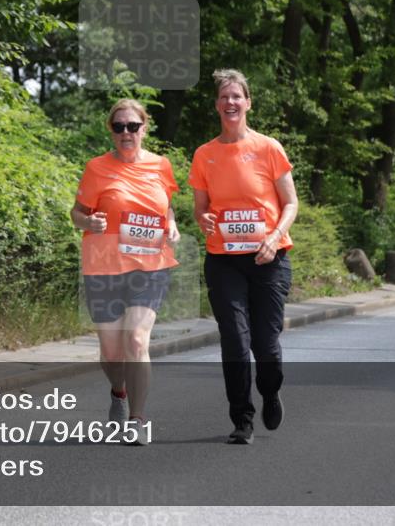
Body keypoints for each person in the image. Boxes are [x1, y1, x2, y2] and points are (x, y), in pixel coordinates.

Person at [189, 69, 299, 445]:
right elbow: (200, 209)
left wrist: (274, 236)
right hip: (223, 260)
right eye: (224, 97)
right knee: (234, 341)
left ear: (248, 102)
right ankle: (242, 420)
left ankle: (270, 391)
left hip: (269, 258)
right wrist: (202, 218)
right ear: (217, 105)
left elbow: (290, 203)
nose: (231, 103)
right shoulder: (205, 155)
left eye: (237, 96)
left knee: (265, 346)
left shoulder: (269, 148)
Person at [71, 99, 180, 446]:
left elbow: (168, 208)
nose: (126, 133)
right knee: (111, 352)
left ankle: (137, 418)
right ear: (111, 131)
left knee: (136, 339)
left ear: (144, 128)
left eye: (132, 126)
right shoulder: (96, 168)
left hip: (149, 265)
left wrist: (172, 226)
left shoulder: (161, 166)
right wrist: (89, 221)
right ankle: (118, 391)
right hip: (103, 266)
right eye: (119, 127)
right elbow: (76, 213)